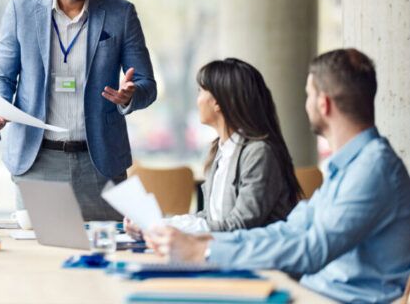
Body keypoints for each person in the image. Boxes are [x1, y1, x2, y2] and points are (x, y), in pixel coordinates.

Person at [145, 49, 410, 303]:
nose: (304, 104)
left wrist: (206, 251)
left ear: (323, 103)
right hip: (313, 291)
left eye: (307, 94)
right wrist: (204, 243)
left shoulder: (373, 169)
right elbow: (290, 230)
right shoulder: (350, 165)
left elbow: (312, 249)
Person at [0, 0, 156, 220]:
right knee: (40, 260)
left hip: (100, 162)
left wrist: (131, 95)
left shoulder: (120, 14)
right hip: (37, 161)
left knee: (107, 254)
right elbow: (2, 77)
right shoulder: (21, 12)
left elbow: (146, 83)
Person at [126, 59, 301, 236]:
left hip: (253, 259)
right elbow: (209, 218)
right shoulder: (221, 150)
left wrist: (166, 229)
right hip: (224, 253)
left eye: (200, 91)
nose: (197, 100)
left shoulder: (258, 153)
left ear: (217, 101)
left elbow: (239, 225)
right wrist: (155, 225)